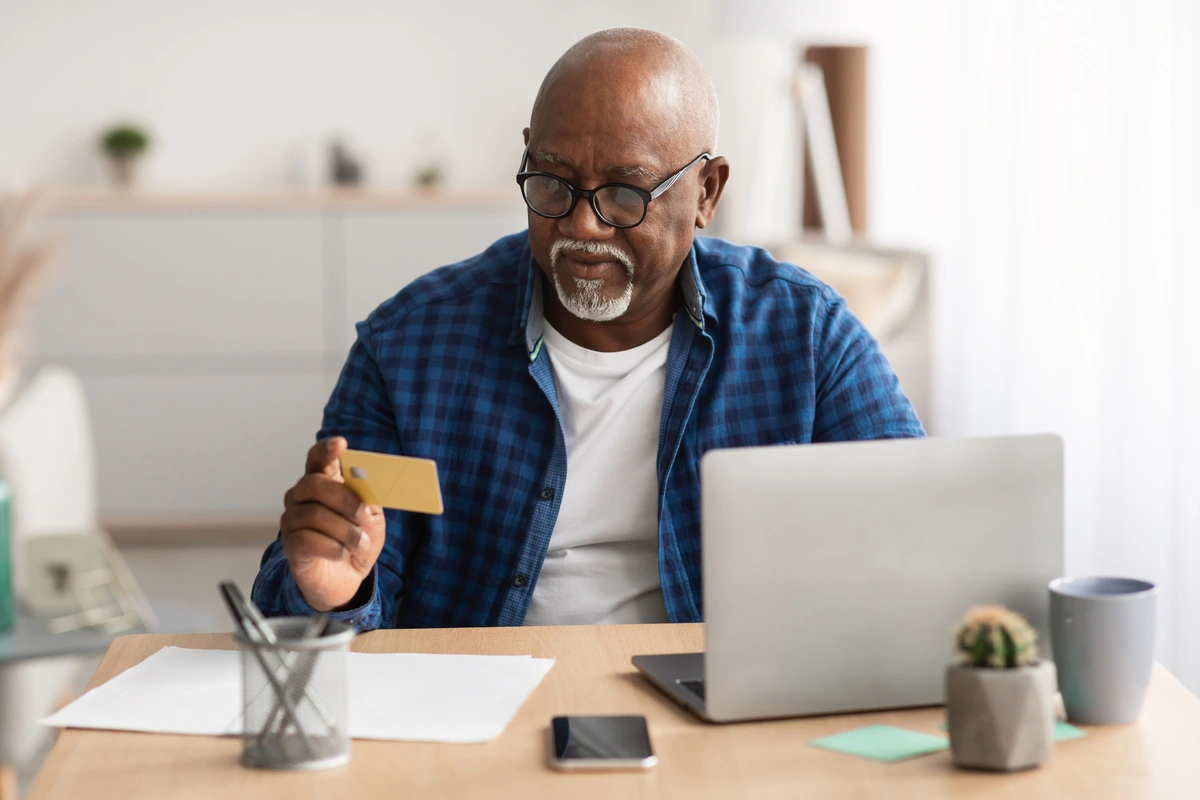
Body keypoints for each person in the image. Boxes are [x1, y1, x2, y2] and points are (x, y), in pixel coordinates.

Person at [252, 28, 924, 630]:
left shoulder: (804, 335)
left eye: (625, 194)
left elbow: (918, 536)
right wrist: (332, 591)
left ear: (707, 194)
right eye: (552, 183)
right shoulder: (409, 348)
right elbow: (332, 578)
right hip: (483, 710)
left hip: (720, 706)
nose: (581, 226)